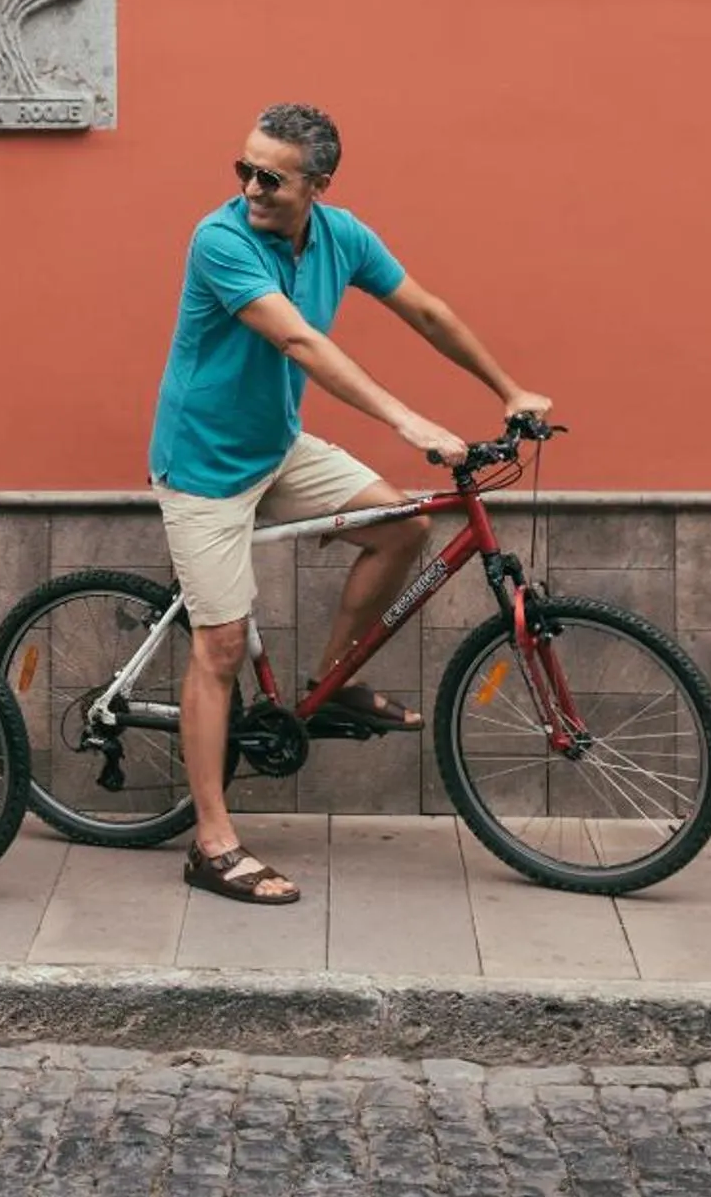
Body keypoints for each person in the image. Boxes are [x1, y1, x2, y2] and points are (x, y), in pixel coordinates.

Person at [150, 103, 553, 906]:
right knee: (220, 647)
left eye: (270, 175)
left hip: (275, 445)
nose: (251, 187)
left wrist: (508, 389)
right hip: (202, 464)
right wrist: (405, 419)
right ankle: (212, 843)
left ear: (317, 185)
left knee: (403, 525)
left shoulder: (341, 236)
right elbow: (299, 340)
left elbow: (427, 310)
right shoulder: (221, 239)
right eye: (243, 169)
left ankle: (329, 684)